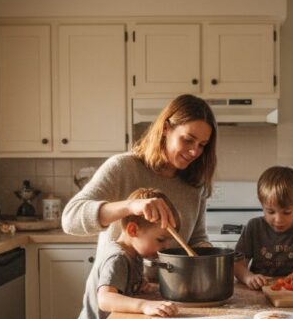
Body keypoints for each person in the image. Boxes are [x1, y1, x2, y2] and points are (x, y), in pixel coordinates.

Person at [61, 93, 217, 256]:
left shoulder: (194, 183)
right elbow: (70, 220)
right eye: (187, 140)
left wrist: (209, 254)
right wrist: (130, 206)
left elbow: (196, 238)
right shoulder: (123, 167)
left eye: (202, 145)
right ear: (166, 129)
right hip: (116, 281)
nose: (194, 151)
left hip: (168, 282)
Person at [66, 188, 180, 319]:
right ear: (133, 230)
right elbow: (106, 299)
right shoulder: (117, 257)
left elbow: (122, 288)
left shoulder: (134, 253)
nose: (166, 247)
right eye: (161, 240)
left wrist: (139, 286)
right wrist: (144, 305)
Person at [233, 166, 293, 289]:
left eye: (286, 212)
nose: (278, 220)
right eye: (270, 212)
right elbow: (237, 265)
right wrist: (248, 277)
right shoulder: (254, 227)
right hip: (260, 290)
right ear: (261, 203)